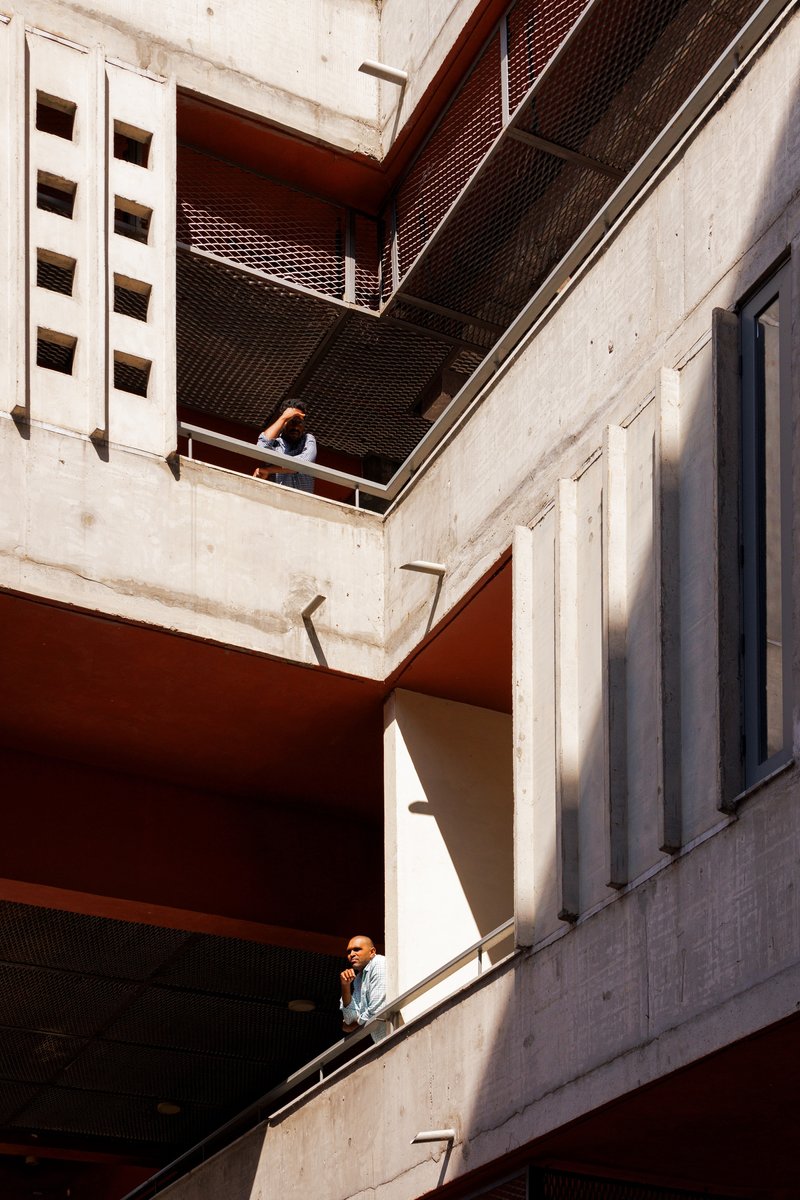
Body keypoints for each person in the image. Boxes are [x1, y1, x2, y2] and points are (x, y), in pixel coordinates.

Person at [253, 399, 317, 492]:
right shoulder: (274, 444)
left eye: (299, 422)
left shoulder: (308, 439)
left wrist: (269, 470)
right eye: (291, 421)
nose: (295, 427)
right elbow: (260, 448)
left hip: (303, 503)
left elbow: (303, 464)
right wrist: (283, 417)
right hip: (277, 501)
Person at [340, 935, 387, 1042]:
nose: (351, 954)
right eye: (349, 952)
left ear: (372, 952)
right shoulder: (358, 979)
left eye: (357, 949)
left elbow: (377, 1010)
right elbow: (350, 1019)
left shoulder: (379, 963)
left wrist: (353, 1025)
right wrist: (345, 986)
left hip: (396, 1036)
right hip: (382, 1042)